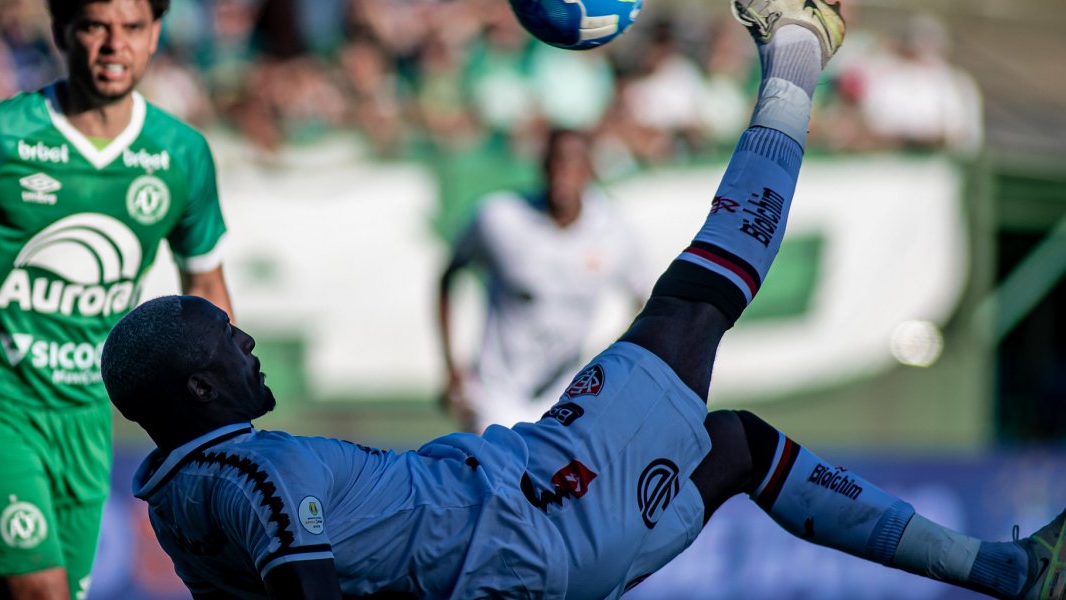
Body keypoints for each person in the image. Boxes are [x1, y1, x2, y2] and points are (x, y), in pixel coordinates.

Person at [103, 2, 1066, 599]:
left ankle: (1006, 573)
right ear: (196, 387)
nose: (248, 346)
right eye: (228, 343)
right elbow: (307, 583)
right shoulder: (247, 479)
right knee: (693, 303)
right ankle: (801, 41)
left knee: (738, 449)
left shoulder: (184, 508)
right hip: (536, 507)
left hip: (545, 539)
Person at [0, 1, 233, 598]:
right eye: (95, 26)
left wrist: (215, 420)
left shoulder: (180, 155)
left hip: (84, 415)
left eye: (133, 28)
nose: (114, 44)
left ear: (155, 36)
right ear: (62, 32)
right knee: (38, 589)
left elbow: (207, 286)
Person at [438, 128, 646, 432]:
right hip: (495, 394)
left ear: (590, 170)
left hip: (566, 396)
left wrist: (610, 370)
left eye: (572, 163)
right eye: (554, 161)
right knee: (495, 476)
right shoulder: (500, 218)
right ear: (541, 166)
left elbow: (642, 301)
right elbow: (448, 276)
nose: (562, 172)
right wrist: (451, 368)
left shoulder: (616, 231)